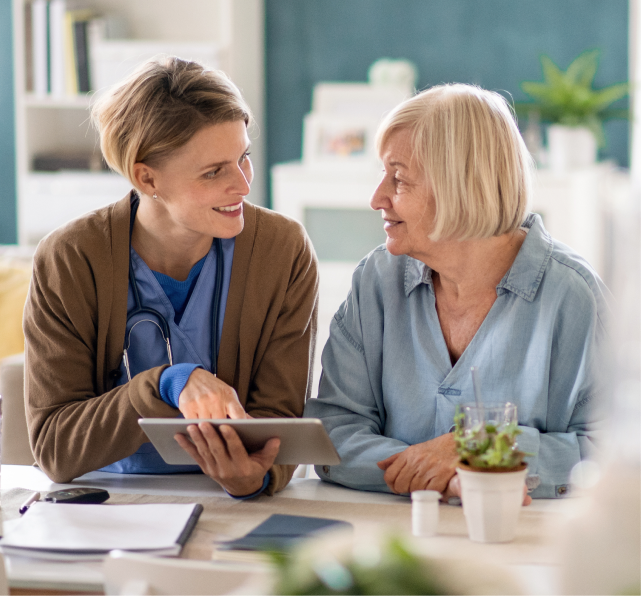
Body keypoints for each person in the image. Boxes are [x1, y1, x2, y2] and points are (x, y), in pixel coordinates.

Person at [24, 57, 318, 498]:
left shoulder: (282, 251)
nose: (242, 185)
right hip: (106, 503)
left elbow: (279, 424)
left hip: (230, 504)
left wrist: (256, 476)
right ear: (147, 177)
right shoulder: (70, 259)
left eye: (244, 159)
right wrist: (167, 383)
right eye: (214, 171)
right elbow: (54, 445)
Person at [304, 84, 608, 500]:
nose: (377, 198)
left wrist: (476, 448)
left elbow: (610, 454)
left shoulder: (575, 298)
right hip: (391, 533)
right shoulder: (376, 280)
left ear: (460, 186)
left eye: (399, 178)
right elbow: (334, 431)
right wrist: (448, 474)